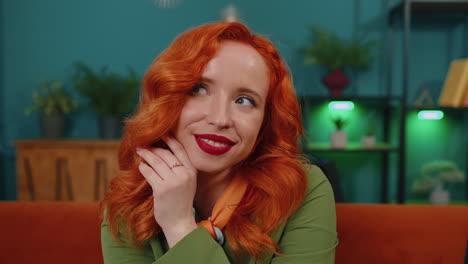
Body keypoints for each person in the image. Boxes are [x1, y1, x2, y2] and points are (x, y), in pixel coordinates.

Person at [100, 22, 338, 264]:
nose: (220, 119)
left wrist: (179, 226)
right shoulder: (129, 203)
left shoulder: (302, 189)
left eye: (244, 101)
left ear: (264, 122)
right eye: (199, 89)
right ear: (166, 98)